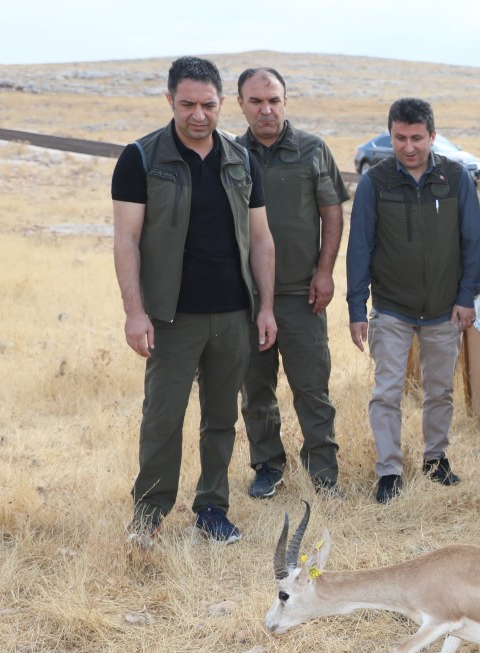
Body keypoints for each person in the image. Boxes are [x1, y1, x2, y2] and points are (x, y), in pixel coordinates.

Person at [113, 56, 276, 545]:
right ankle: (148, 516)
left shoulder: (241, 159)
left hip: (232, 314)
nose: (198, 115)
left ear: (222, 103)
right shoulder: (141, 158)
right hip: (171, 317)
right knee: (162, 418)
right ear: (170, 101)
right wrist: (134, 312)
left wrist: (265, 306)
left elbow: (262, 238)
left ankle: (212, 509)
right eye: (187, 104)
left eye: (208, 104)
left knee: (221, 419)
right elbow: (126, 239)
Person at [346, 98, 480, 503]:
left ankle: (436, 459)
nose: (408, 147)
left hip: (445, 308)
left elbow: (472, 243)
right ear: (390, 136)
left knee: (440, 390)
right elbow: (360, 249)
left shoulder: (456, 178)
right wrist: (358, 309)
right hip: (391, 307)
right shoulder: (376, 181)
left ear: (432, 136)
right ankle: (389, 470)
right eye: (400, 138)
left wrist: (466, 296)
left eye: (417, 138)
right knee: (386, 391)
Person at [236, 67, 349, 499]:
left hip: (303, 296)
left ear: (285, 101)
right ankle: (267, 468)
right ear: (241, 103)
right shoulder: (230, 154)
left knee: (312, 389)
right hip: (247, 300)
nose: (266, 110)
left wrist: (325, 271)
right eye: (256, 101)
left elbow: (332, 213)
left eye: (274, 100)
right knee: (256, 390)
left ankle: (324, 474)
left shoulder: (312, 150)